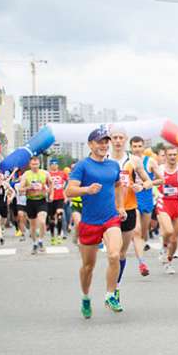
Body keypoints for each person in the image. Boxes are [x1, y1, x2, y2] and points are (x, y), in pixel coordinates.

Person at [67, 126, 125, 318]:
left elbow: (118, 186)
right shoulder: (82, 166)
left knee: (115, 255)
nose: (104, 145)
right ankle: (85, 297)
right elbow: (69, 191)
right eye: (100, 142)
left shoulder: (113, 166)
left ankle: (110, 295)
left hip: (110, 218)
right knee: (88, 267)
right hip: (90, 221)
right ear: (90, 144)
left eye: (105, 142)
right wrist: (86, 190)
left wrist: (121, 207)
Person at [109, 127, 154, 300]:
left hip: (128, 209)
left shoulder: (133, 160)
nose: (118, 140)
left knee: (121, 253)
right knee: (113, 253)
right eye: (115, 137)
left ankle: (116, 288)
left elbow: (148, 181)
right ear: (110, 140)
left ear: (125, 139)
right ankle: (111, 289)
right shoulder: (104, 159)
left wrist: (142, 186)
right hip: (109, 210)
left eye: (121, 137)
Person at [131, 136, 162, 276]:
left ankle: (143, 244)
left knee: (143, 232)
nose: (137, 149)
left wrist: (146, 184)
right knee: (136, 231)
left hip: (146, 198)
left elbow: (161, 179)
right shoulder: (128, 162)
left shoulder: (150, 161)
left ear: (143, 147)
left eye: (139, 146)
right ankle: (141, 263)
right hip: (131, 198)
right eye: (134, 146)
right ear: (131, 147)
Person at [156, 145, 178, 275]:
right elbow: (153, 182)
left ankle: (168, 262)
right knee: (168, 230)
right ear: (165, 156)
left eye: (175, 154)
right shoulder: (160, 169)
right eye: (170, 155)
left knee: (174, 240)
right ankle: (163, 247)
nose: (172, 157)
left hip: (177, 205)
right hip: (164, 203)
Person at [19, 156, 51, 254]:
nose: (35, 166)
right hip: (30, 201)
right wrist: (29, 187)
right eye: (33, 164)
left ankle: (40, 240)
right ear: (30, 165)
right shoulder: (26, 174)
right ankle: (35, 243)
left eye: (36, 164)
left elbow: (51, 184)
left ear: (39, 164)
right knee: (33, 226)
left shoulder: (45, 173)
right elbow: (20, 189)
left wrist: (49, 192)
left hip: (41, 200)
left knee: (42, 221)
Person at [47, 159, 69, 245]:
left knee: (59, 216)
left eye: (55, 164)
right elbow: (44, 184)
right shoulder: (47, 174)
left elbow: (68, 182)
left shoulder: (62, 173)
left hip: (60, 197)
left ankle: (59, 235)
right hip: (51, 198)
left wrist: (66, 194)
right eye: (52, 164)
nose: (54, 165)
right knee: (51, 218)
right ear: (50, 165)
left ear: (58, 165)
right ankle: (52, 236)